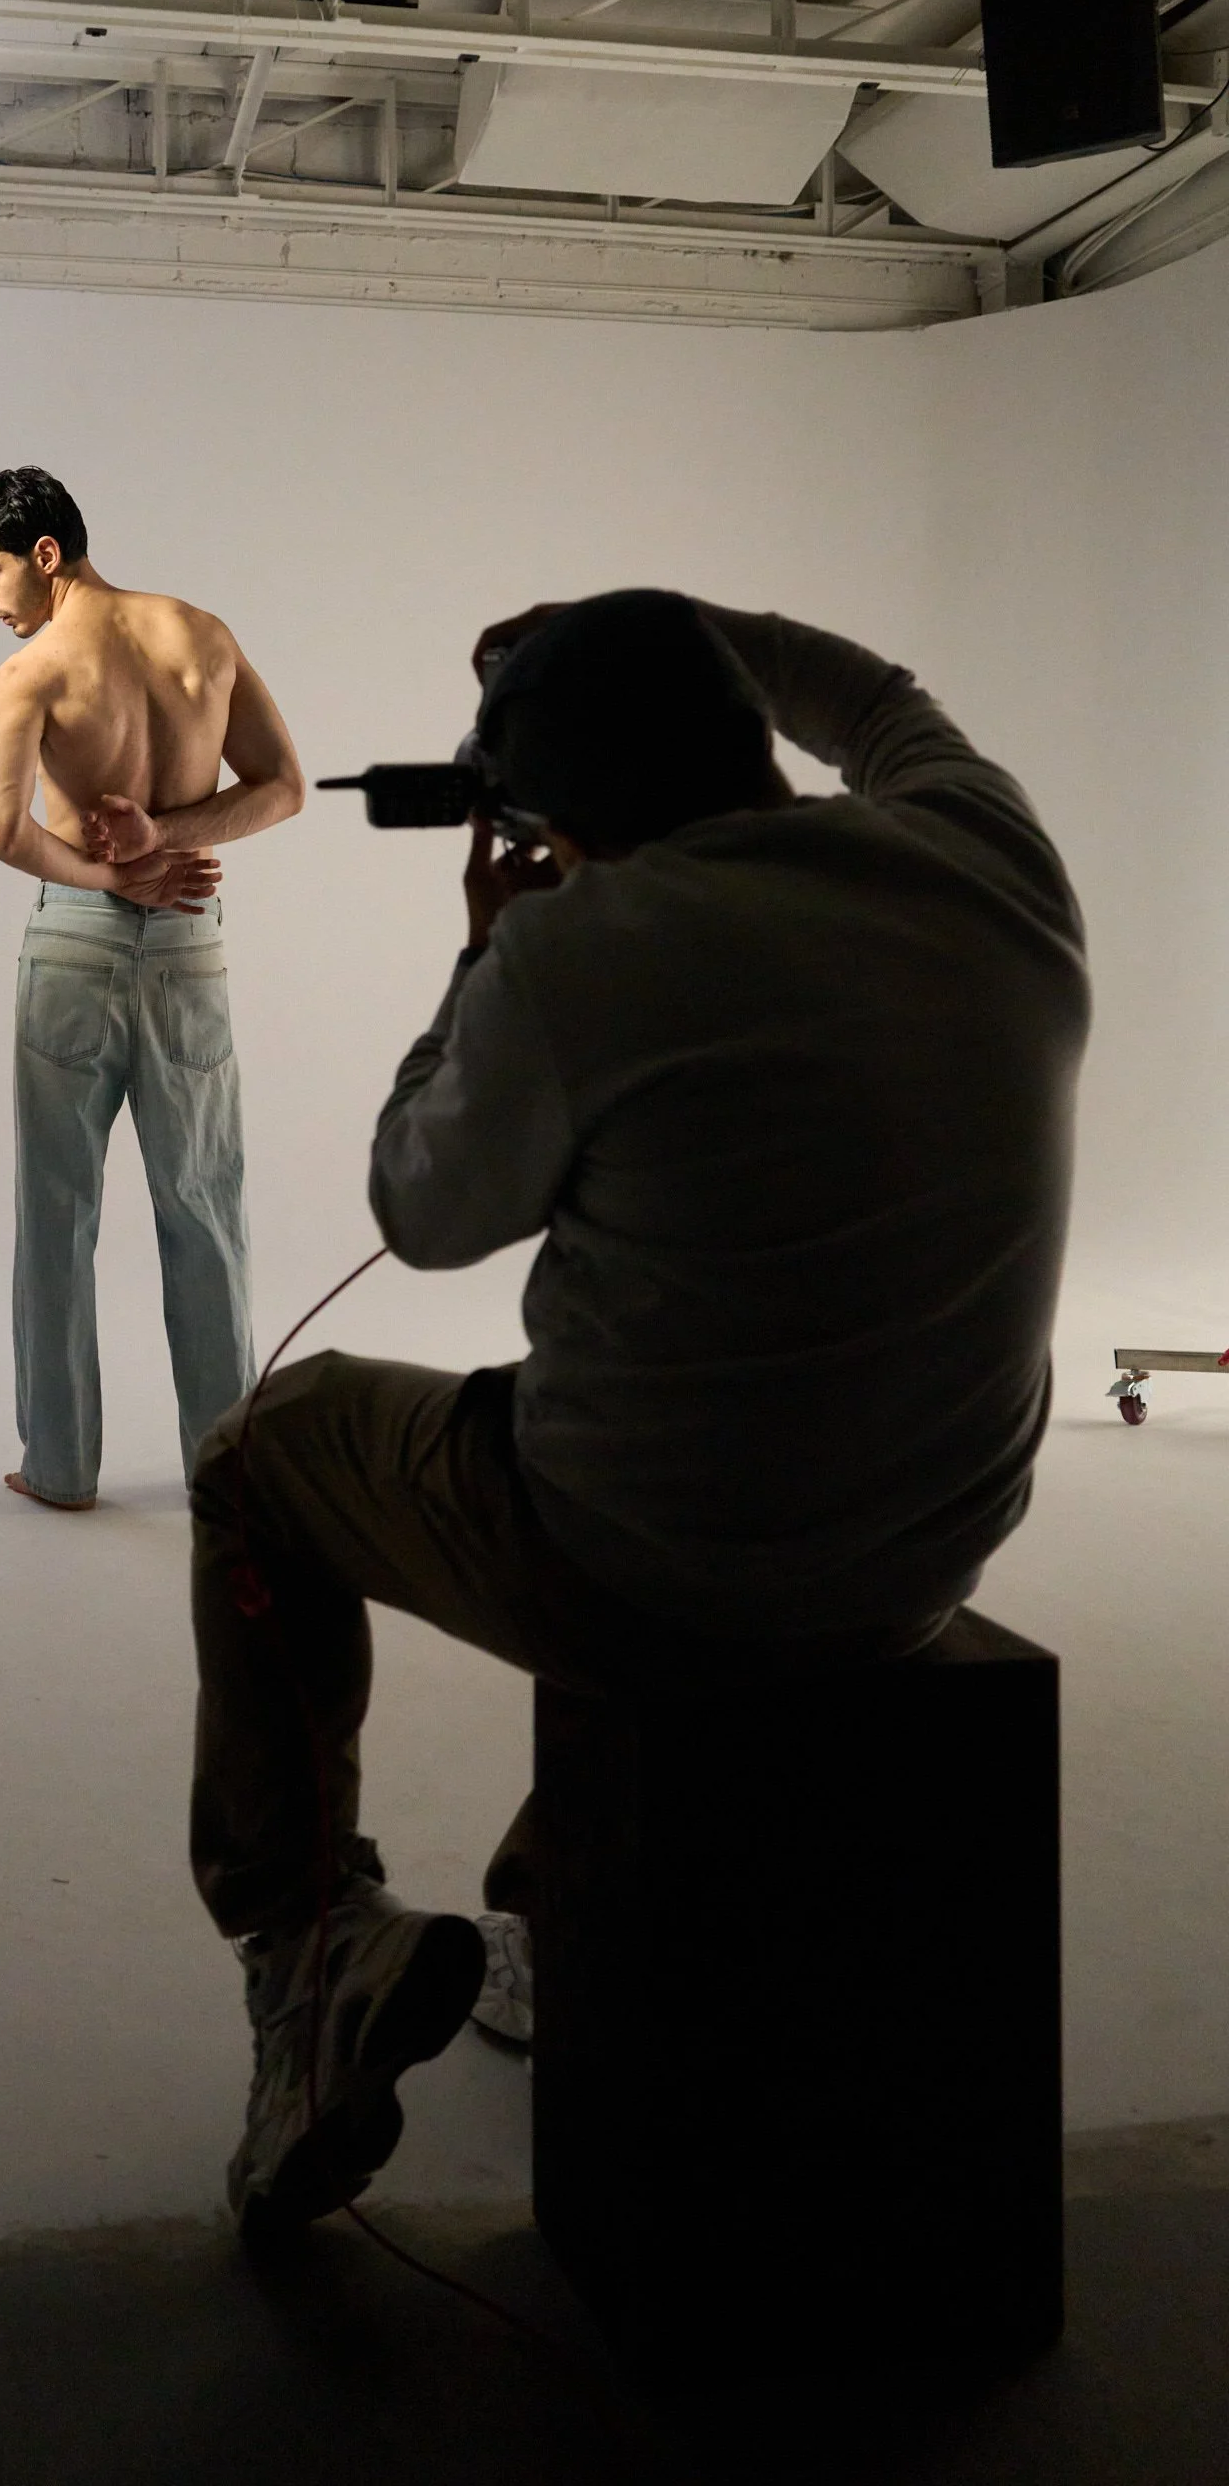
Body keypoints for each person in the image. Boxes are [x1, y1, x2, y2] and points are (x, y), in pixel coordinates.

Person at [189, 587, 1089, 2243]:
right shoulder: (985, 848)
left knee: (270, 1449)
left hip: (653, 1570)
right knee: (673, 1394)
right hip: (922, 1555)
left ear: (550, 824)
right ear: (741, 731)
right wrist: (665, 615)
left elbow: (422, 1208)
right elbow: (874, 690)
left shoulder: (570, 952)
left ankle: (306, 1948)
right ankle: (549, 1904)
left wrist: (482, 950)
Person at [0, 466, 305, 1511]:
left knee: (56, 1208)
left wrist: (112, 870)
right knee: (204, 1208)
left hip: (76, 946)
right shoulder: (200, 635)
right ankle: (227, 1476)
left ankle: (59, 1467)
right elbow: (283, 787)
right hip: (189, 945)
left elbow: (3, 830)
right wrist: (169, 839)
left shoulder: (30, 675)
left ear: (44, 554)